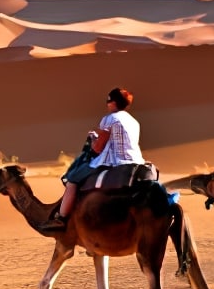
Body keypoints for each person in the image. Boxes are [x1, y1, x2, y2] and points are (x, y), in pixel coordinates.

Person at [45, 87, 142, 233]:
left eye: (108, 102)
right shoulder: (134, 122)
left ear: (114, 103)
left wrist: (93, 139)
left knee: (72, 180)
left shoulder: (110, 119)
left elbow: (98, 148)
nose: (107, 105)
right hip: (136, 161)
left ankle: (62, 219)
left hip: (114, 162)